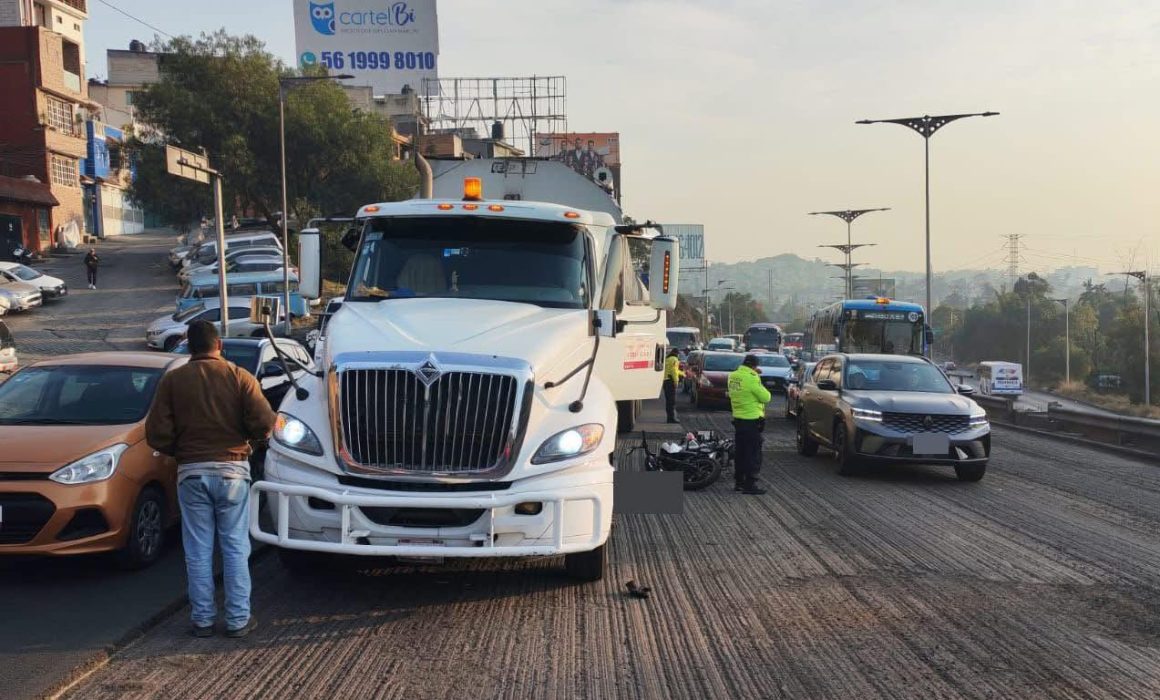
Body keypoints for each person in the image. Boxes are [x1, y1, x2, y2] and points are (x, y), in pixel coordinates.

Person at [145, 321, 276, 638]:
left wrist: (181, 450)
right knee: (234, 547)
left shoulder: (173, 381)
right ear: (219, 346)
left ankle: (202, 620)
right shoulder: (239, 377)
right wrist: (251, 440)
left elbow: (156, 434)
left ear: (190, 347)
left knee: (198, 550)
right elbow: (264, 424)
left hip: (191, 472)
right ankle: (238, 620)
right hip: (232, 469)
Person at [728, 354, 772, 495]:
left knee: (740, 452)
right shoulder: (752, 378)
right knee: (753, 454)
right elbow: (766, 397)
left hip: (738, 419)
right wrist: (756, 377)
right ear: (754, 366)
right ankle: (750, 484)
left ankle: (739, 482)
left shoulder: (733, 375)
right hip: (751, 420)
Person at [663, 348, 683, 423]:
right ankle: (671, 418)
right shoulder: (675, 359)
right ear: (677, 354)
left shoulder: (668, 359)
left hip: (665, 381)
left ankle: (669, 417)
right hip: (670, 382)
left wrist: (683, 374)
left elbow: (675, 370)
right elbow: (674, 371)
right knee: (671, 402)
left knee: (668, 401)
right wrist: (676, 381)